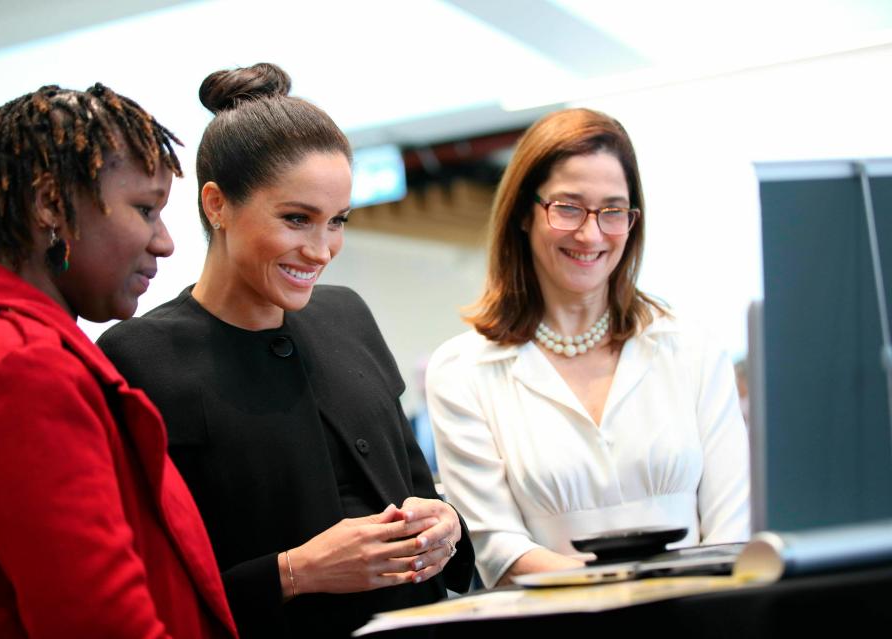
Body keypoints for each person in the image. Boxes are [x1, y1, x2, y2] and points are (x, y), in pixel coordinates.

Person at [97, 63, 473, 638]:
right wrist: (295, 573)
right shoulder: (140, 357)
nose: (321, 250)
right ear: (217, 205)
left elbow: (418, 487)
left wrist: (446, 523)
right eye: (297, 220)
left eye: (337, 222)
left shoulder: (347, 314)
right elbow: (147, 583)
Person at [0, 84, 236, 637]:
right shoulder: (22, 370)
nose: (165, 242)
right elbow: (99, 621)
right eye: (145, 209)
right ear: (50, 203)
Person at [426, 108, 749, 588]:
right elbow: (501, 553)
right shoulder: (462, 370)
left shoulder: (691, 350)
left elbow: (733, 528)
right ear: (522, 212)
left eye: (612, 210)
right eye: (568, 207)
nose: (591, 233)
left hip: (698, 618)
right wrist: (633, 589)